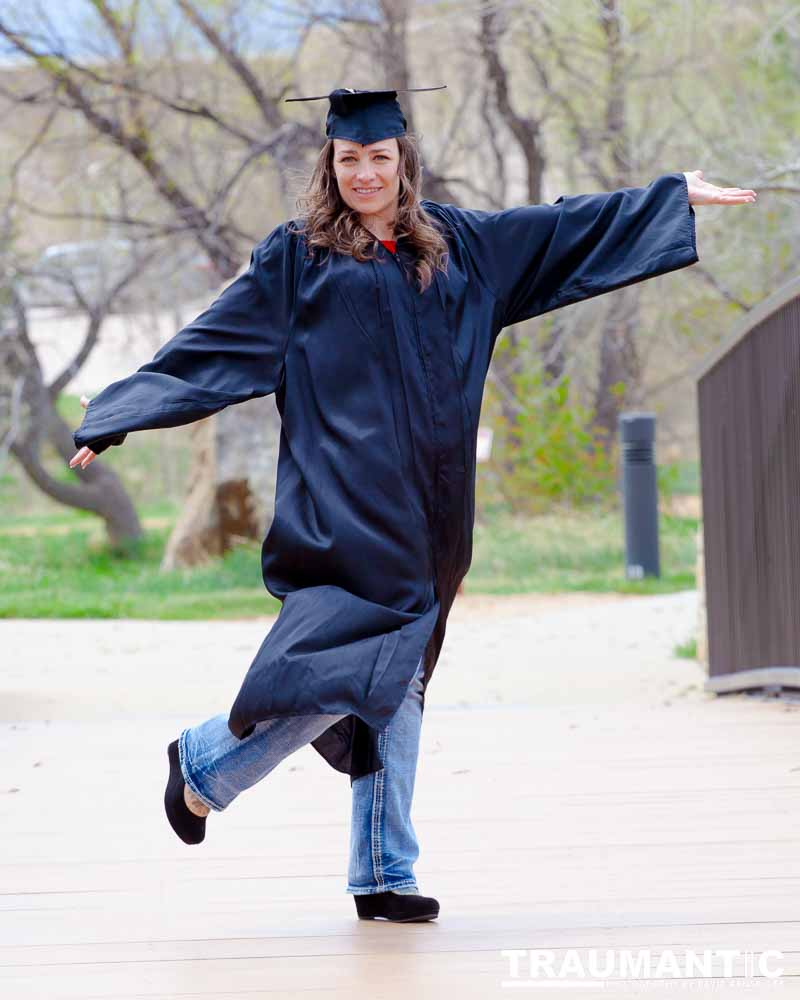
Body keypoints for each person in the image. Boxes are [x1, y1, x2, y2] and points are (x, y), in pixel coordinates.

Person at [69, 85, 757, 923]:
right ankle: (207, 762)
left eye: (379, 158)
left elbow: (562, 228)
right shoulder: (298, 262)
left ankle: (384, 870)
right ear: (332, 163)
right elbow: (211, 344)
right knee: (340, 669)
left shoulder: (461, 248)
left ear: (404, 162)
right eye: (350, 159)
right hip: (344, 511)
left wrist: (668, 194)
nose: (365, 173)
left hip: (432, 514)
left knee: (398, 680)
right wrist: (116, 416)